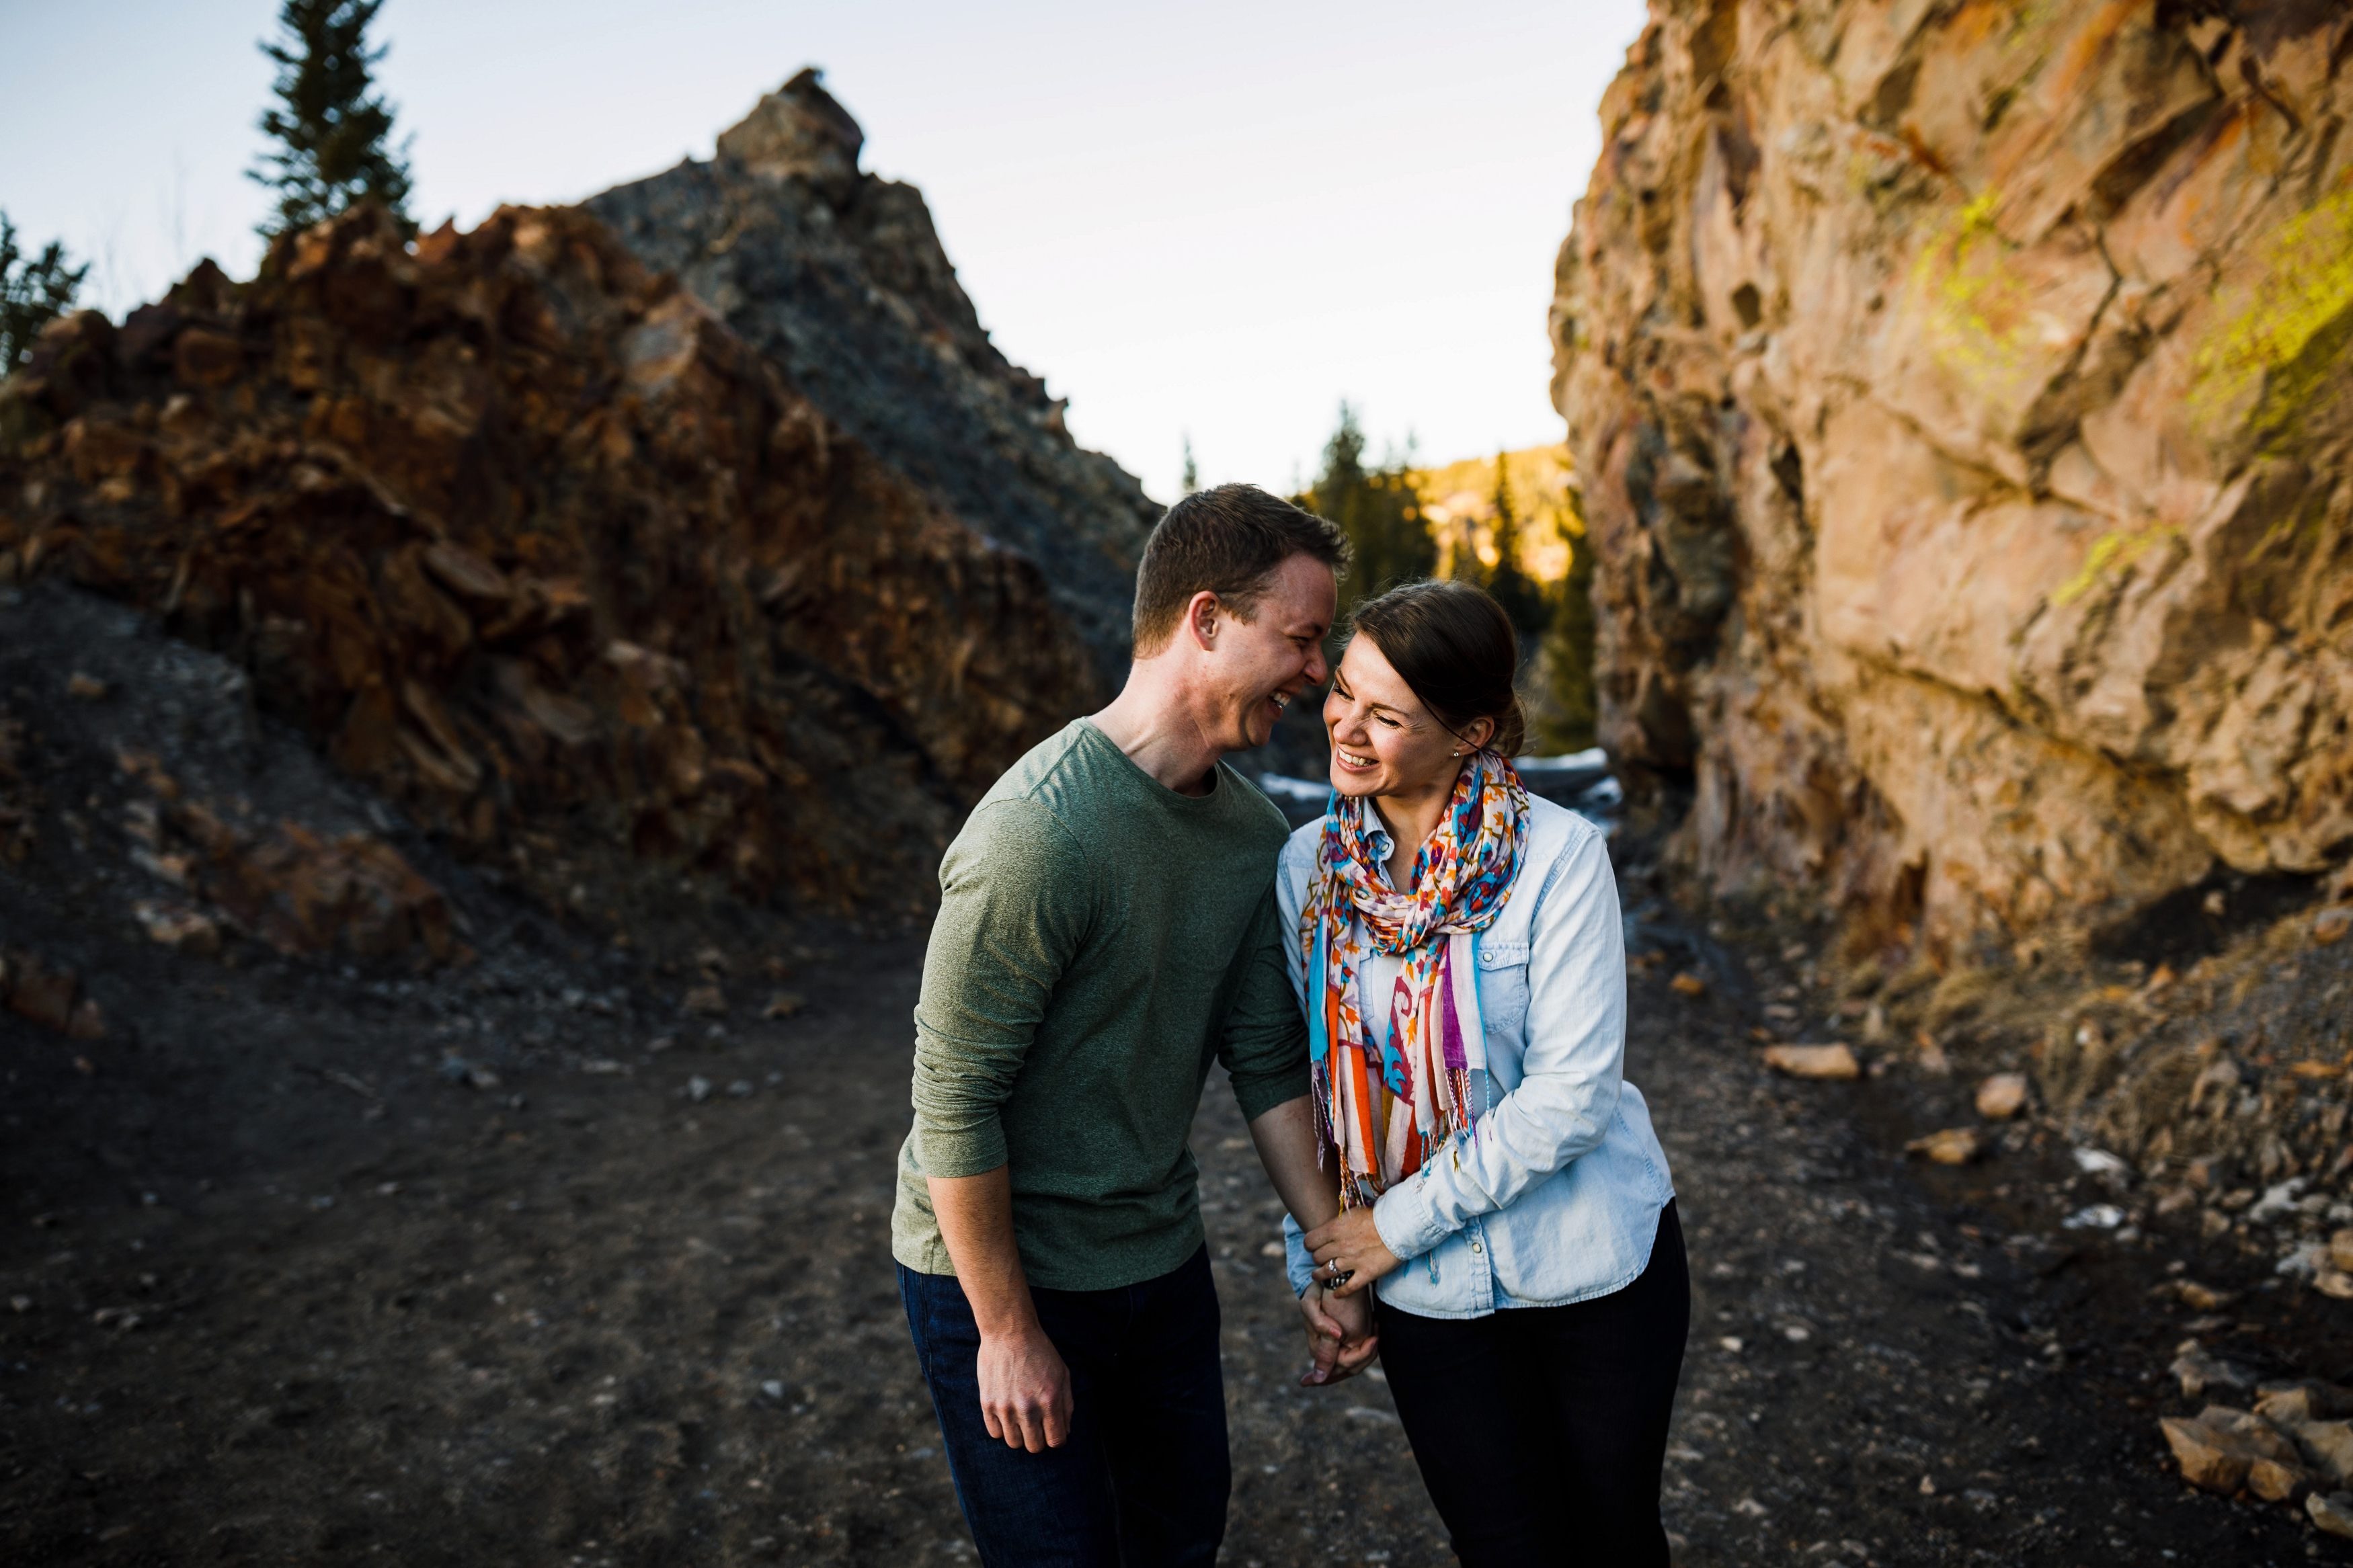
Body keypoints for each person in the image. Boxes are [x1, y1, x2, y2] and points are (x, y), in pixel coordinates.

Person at [891, 483, 1378, 1568]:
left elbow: (1264, 1057)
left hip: (1158, 1267)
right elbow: (952, 1098)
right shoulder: (1038, 833)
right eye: (1301, 640)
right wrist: (1007, 1334)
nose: (1318, 674)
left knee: (1179, 1540)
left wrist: (1333, 1262)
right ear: (1205, 620)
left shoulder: (1253, 833)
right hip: (1002, 1274)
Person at [1276, 577, 1687, 1567]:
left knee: (1614, 1538)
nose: (1347, 727)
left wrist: (1385, 1232)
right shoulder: (1307, 872)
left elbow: (1571, 1099)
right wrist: (1324, 1264)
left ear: (1472, 734)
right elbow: (1322, 1085)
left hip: (1592, 1267)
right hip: (1431, 1294)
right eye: (1344, 690)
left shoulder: (1559, 856)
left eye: (1388, 714)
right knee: (1502, 1547)